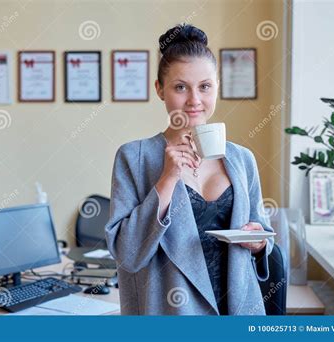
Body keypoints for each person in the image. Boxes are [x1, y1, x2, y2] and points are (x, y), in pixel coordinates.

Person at [105, 24, 274, 315]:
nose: (195, 100)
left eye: (205, 86)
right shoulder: (134, 158)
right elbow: (127, 256)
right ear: (160, 90)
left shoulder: (242, 159)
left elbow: (262, 237)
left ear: (217, 88)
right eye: (180, 87)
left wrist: (259, 242)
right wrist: (167, 178)